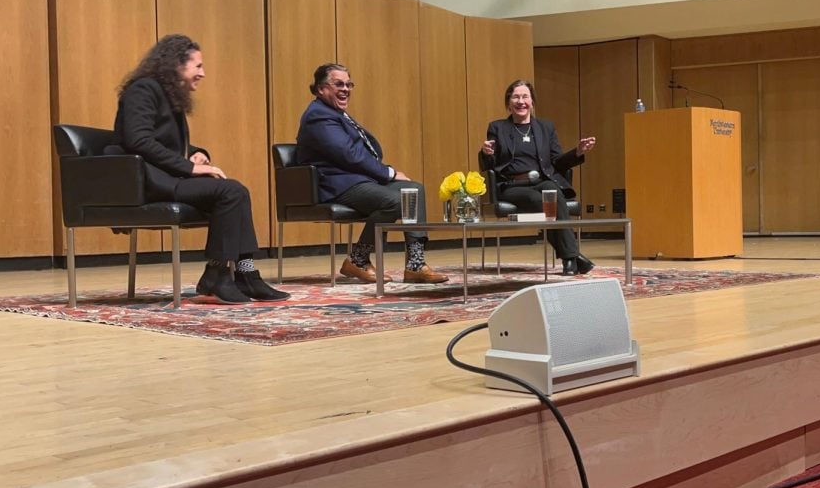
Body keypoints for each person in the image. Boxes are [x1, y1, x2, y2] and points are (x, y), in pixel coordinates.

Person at [110, 34, 289, 304]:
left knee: (234, 192)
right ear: (176, 65)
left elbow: (165, 142)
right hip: (148, 180)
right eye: (198, 66)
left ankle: (244, 273)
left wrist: (195, 153)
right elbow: (138, 140)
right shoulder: (143, 89)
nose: (203, 73)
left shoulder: (167, 94)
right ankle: (218, 273)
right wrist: (189, 168)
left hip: (165, 175)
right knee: (231, 192)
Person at [295, 63, 448, 284]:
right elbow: (349, 155)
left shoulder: (336, 113)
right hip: (337, 184)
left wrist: (385, 173)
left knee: (413, 189)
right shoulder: (318, 115)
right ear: (321, 89)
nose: (346, 89)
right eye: (338, 84)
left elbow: (358, 153)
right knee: (396, 201)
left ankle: (415, 264)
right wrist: (389, 173)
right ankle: (358, 259)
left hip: (357, 180)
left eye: (349, 84)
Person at [479, 79, 597, 275]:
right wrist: (486, 153)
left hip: (542, 181)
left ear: (532, 102)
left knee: (552, 192)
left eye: (525, 96)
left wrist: (577, 151)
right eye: (515, 97)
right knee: (545, 202)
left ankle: (570, 256)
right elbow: (490, 166)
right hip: (512, 186)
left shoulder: (545, 127)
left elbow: (557, 161)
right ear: (508, 103)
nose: (521, 101)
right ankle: (572, 257)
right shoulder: (497, 128)